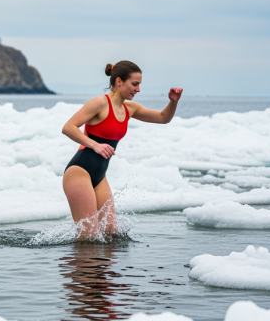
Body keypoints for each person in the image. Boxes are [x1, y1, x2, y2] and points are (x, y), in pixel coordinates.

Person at [62, 61, 183, 238]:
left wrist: (173, 102)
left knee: (111, 233)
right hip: (79, 172)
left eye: (139, 84)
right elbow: (68, 127)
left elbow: (163, 118)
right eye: (135, 84)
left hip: (99, 176)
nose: (138, 89)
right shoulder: (100, 103)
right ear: (119, 81)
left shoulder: (130, 109)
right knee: (89, 237)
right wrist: (95, 144)